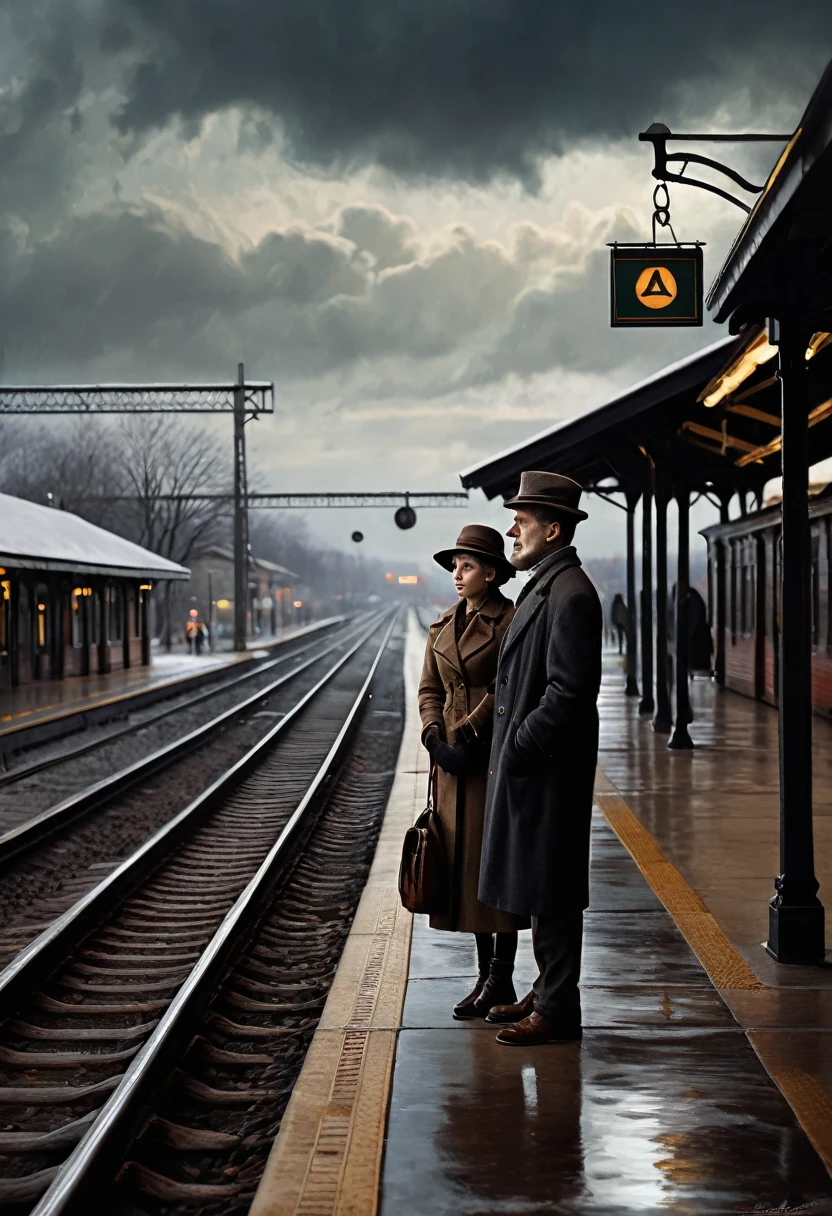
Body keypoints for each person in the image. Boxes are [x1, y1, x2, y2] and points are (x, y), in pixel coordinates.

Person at [478, 470, 602, 1046]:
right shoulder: (548, 583)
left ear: (554, 529)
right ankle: (549, 990)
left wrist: (522, 747)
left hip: (548, 768)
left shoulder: (571, 594)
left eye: (522, 522)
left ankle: (558, 1007)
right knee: (540, 881)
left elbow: (570, 694)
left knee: (551, 888)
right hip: (538, 767)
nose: (512, 531)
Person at [418, 524, 530, 1019]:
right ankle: (485, 976)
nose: (457, 575)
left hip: (490, 761)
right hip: (451, 767)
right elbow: (429, 690)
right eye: (454, 567)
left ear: (491, 572)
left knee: (494, 869)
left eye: (467, 566)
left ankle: (501, 978)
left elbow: (509, 687)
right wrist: (433, 736)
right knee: (466, 872)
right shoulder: (442, 626)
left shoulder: (510, 622)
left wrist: (466, 735)